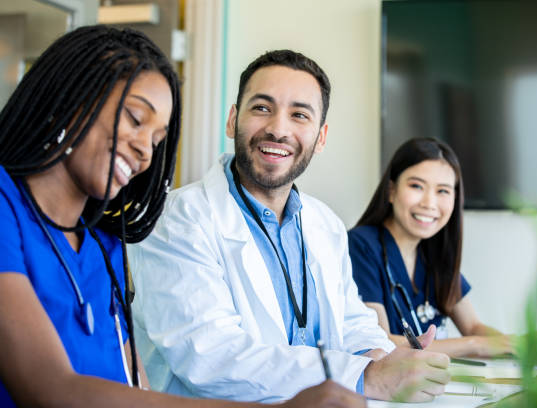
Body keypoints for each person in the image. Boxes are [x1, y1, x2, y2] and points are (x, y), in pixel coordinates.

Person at [0, 26, 365, 408]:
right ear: (71, 96)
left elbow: (134, 390)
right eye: (135, 119)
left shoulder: (101, 245)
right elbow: (52, 390)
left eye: (158, 139)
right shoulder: (7, 209)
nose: (145, 150)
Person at [128, 50, 451, 403]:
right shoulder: (177, 219)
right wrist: (366, 376)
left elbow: (351, 321)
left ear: (321, 137)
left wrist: (381, 358)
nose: (278, 129)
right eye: (262, 108)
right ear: (232, 120)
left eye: (299, 115)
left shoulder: (325, 223)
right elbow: (210, 357)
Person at [348, 138, 514, 358]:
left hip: (434, 383)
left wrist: (515, 346)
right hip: (388, 389)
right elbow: (380, 340)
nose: (429, 203)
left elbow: (473, 328)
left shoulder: (434, 253)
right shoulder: (360, 246)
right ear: (391, 190)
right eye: (416, 186)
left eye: (443, 191)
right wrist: (475, 345)